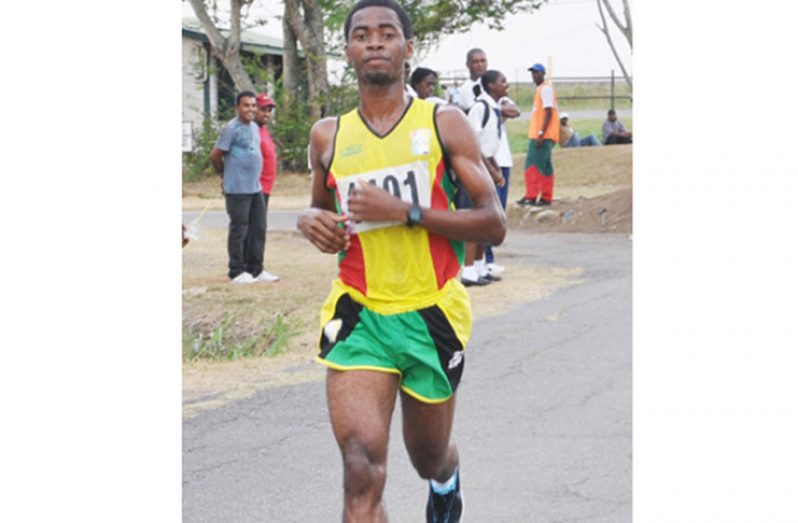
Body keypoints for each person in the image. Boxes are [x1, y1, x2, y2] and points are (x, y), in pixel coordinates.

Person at [296, 1, 506, 521]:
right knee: (361, 466)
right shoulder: (329, 134)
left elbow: (493, 222)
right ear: (347, 51)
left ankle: (446, 482)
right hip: (360, 313)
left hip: (430, 313)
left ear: (408, 49)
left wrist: (406, 211)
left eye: (386, 33)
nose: (373, 42)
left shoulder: (443, 122)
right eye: (361, 35)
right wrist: (312, 223)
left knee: (427, 457)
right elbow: (323, 213)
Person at [209, 91, 270, 284]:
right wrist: (224, 175)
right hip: (237, 189)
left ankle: (256, 269)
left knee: (259, 228)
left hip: (255, 187)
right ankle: (237, 270)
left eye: (253, 105)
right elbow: (216, 155)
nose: (250, 109)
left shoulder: (254, 127)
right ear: (238, 107)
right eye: (246, 105)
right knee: (239, 230)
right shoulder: (231, 128)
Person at [461, 70, 513, 286]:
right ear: (491, 85)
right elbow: (471, 144)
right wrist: (489, 170)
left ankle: (481, 266)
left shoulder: (493, 108)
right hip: (475, 170)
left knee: (486, 218)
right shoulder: (480, 108)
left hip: (487, 166)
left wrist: (495, 167)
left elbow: (490, 145)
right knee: (474, 220)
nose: (506, 85)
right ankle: (468, 270)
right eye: (503, 82)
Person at [518, 63, 559, 206]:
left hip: (542, 135)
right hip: (545, 135)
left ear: (543, 74)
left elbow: (549, 111)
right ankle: (546, 197)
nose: (534, 76)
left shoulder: (545, 89)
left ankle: (531, 196)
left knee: (532, 164)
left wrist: (541, 133)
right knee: (546, 167)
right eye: (533, 73)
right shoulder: (541, 89)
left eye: (537, 73)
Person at [253, 93, 280, 282]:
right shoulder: (251, 130)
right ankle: (255, 269)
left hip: (266, 187)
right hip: (256, 186)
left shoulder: (263, 129)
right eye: (263, 109)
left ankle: (253, 267)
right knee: (257, 228)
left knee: (258, 227)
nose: (267, 113)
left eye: (269, 110)